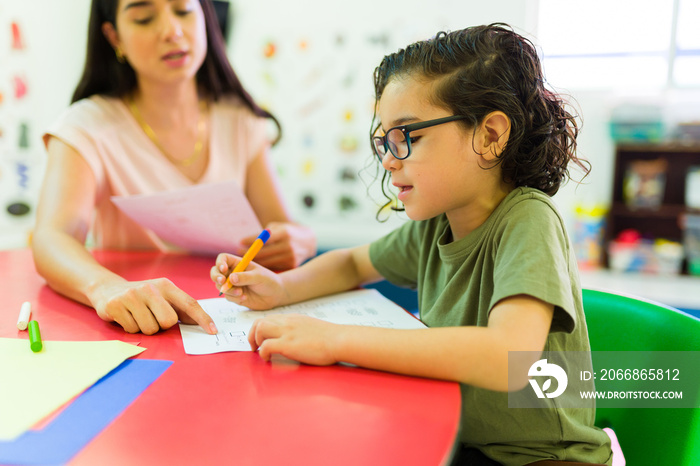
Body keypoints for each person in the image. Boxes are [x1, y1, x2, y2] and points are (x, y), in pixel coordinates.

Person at [211, 24, 613, 466]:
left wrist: (336, 340)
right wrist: (281, 289)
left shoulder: (528, 219)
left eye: (409, 137)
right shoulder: (437, 222)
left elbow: (508, 357)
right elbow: (349, 264)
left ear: (491, 135)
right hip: (462, 440)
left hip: (542, 459)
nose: (387, 158)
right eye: (384, 139)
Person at [32, 0, 316, 336]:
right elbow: (53, 237)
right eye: (144, 18)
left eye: (183, 11)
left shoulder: (239, 119)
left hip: (232, 320)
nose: (172, 31)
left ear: (206, 19)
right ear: (114, 37)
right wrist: (105, 288)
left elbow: (284, 228)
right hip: (138, 324)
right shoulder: (87, 125)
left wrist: (301, 240)